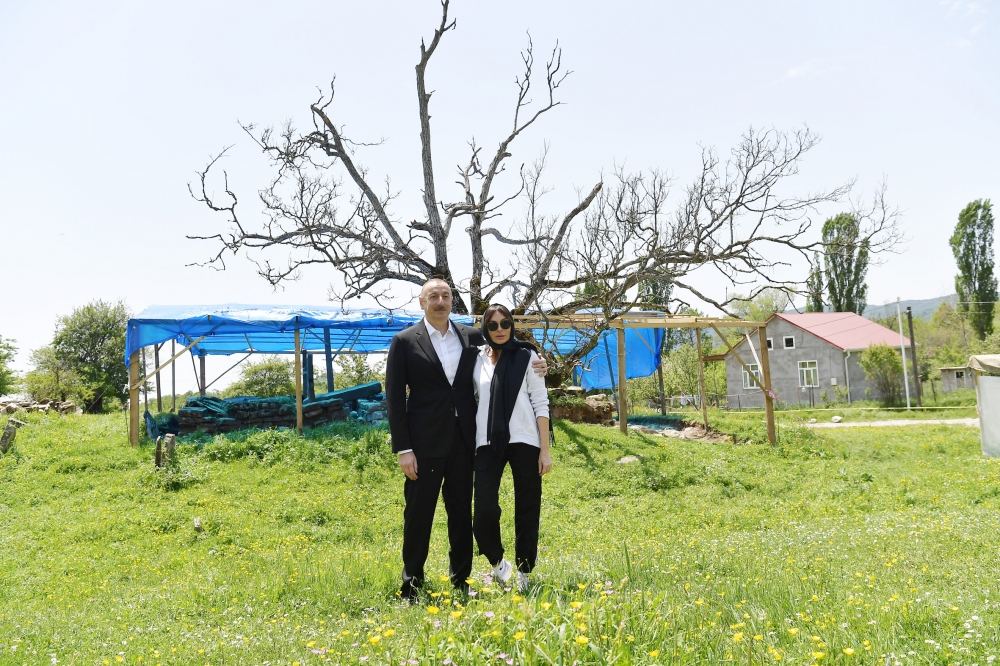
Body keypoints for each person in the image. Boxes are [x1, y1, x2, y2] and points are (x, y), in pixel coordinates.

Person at [385, 279, 546, 602]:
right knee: (419, 515)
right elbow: (394, 398)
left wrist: (539, 359)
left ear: (452, 301)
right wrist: (404, 449)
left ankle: (461, 579)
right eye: (433, 296)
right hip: (424, 445)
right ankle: (412, 583)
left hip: (463, 443)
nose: (440, 301)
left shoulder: (469, 337)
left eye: (445, 295)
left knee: (460, 513)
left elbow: (506, 346)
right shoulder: (404, 342)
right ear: (422, 302)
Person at [472, 303, 552, 594]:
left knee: (528, 507)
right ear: (485, 328)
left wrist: (545, 450)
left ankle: (525, 571)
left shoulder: (528, 356)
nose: (500, 330)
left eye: (505, 323)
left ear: (512, 325)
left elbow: (541, 403)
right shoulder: (477, 358)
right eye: (492, 325)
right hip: (487, 441)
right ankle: (497, 564)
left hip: (525, 440)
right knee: (483, 509)